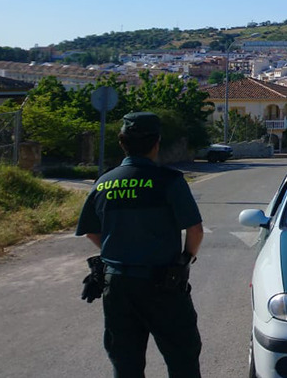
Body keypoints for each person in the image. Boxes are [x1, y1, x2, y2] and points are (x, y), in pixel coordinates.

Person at [76, 112, 205, 378]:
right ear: (156, 143)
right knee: (182, 358)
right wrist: (186, 258)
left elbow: (90, 230)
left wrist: (117, 248)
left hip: (118, 285)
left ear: (122, 142)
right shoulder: (169, 181)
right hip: (163, 286)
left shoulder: (104, 183)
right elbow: (195, 230)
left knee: (126, 363)